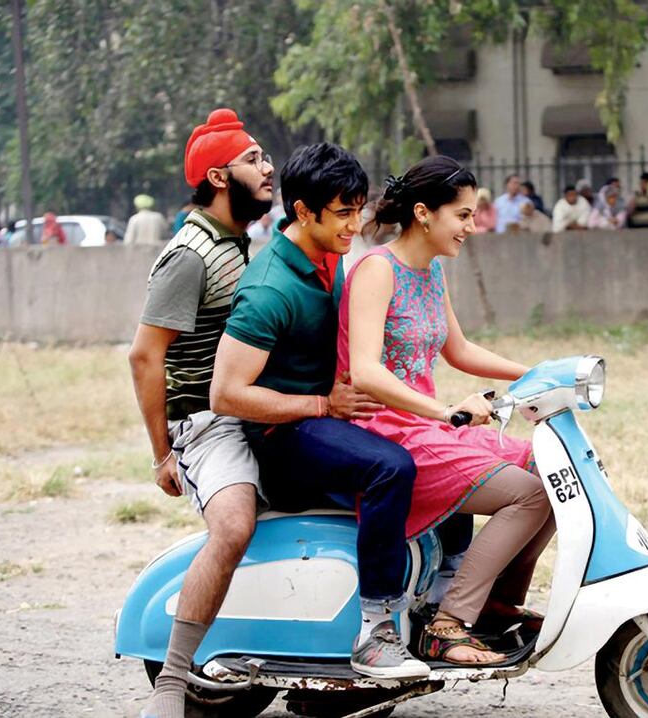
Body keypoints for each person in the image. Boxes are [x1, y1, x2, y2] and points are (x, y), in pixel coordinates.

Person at [209, 142, 428, 680]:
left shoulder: (330, 256)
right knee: (390, 467)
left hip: (327, 422)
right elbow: (226, 393)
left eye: (359, 209)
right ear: (303, 211)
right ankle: (374, 635)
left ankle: (444, 614)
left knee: (450, 452)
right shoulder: (268, 287)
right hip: (281, 440)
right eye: (343, 213)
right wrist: (322, 404)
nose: (356, 225)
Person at [337, 155, 554, 666]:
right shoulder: (376, 271)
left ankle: (496, 606)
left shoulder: (430, 269)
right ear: (423, 213)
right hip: (388, 429)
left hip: (428, 422)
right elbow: (366, 372)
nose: (472, 226)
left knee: (551, 471)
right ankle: (448, 622)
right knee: (527, 495)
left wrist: (537, 374)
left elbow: (458, 350)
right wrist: (442, 412)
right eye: (463, 214)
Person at [129, 108, 274, 718]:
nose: (267, 168)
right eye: (252, 160)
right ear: (218, 177)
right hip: (205, 422)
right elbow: (144, 357)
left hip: (252, 411)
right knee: (235, 526)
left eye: (264, 157)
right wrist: (164, 453)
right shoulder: (188, 255)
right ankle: (174, 680)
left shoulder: (241, 245)